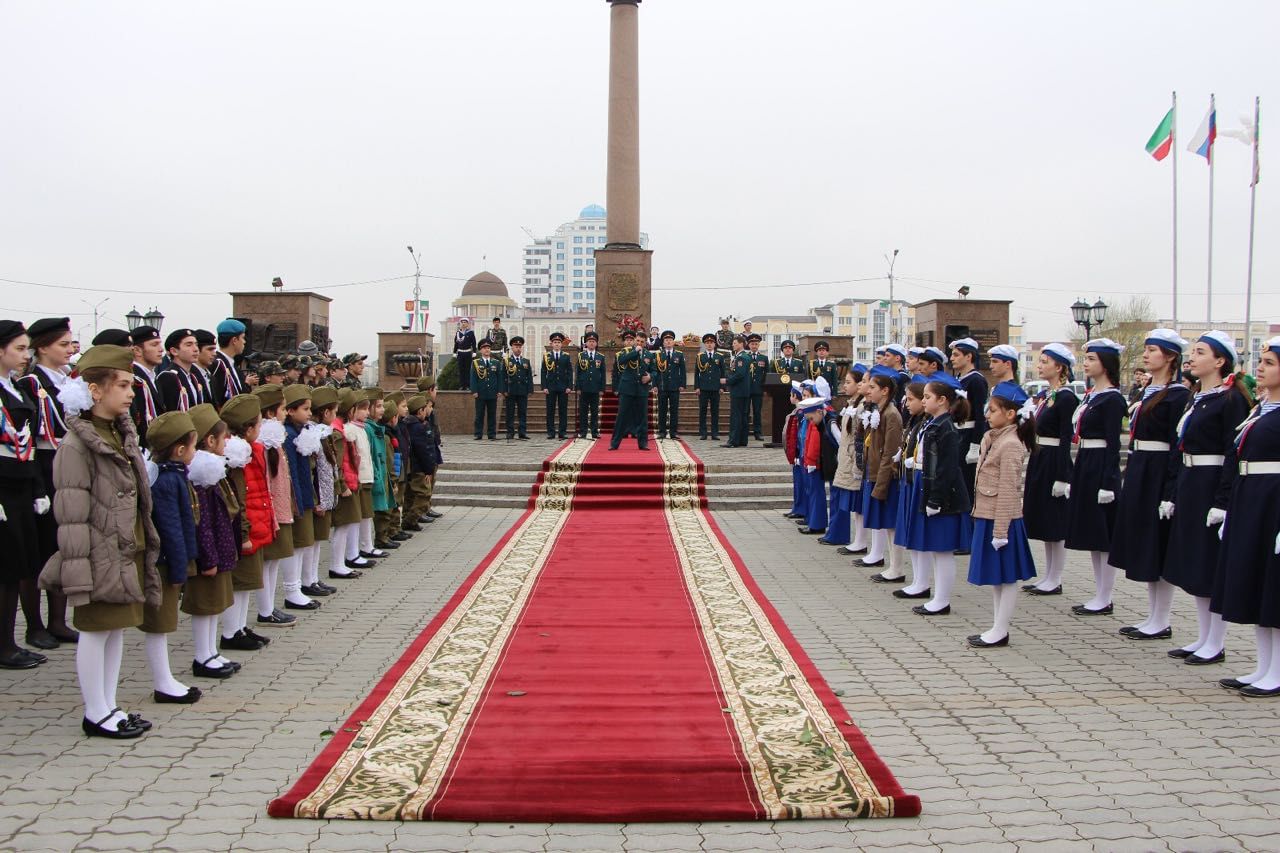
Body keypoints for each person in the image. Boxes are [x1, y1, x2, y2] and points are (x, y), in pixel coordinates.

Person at [39, 344, 162, 738]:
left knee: (115, 628)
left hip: (123, 549)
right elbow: (72, 516)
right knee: (95, 631)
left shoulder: (118, 434)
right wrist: (78, 573)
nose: (131, 393)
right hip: (96, 553)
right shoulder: (77, 446)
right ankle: (95, 712)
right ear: (95, 391)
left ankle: (110, 704)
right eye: (123, 385)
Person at [1164, 332, 1252, 666]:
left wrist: (1223, 500)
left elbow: (1233, 452)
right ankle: (1203, 636)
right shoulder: (1199, 396)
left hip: (1211, 483)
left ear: (1220, 361)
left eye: (1200, 352)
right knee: (1195, 564)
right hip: (1191, 480)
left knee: (1209, 563)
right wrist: (1173, 492)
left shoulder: (1231, 400)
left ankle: (1216, 641)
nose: (1192, 357)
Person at [1111, 329, 1192, 640]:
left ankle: (1162, 619)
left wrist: (1171, 489)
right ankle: (1153, 615)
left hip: (1159, 471)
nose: (1146, 355)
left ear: (1170, 357)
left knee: (1158, 541)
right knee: (1145, 543)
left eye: (1153, 350)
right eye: (1146, 349)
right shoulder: (1145, 391)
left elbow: (1176, 444)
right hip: (1141, 467)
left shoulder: (1178, 395)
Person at [1212, 336, 1280, 697]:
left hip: (1274, 502)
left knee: (1274, 587)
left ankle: (1278, 671)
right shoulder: (1261, 408)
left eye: (1269, 362)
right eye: (1262, 361)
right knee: (1257, 583)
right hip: (1252, 497)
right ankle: (1264, 665)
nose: (1260, 367)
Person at [19, 316, 78, 649]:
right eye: (63, 344)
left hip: (66, 466)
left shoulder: (67, 381)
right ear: (41, 348)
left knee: (63, 546)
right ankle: (35, 625)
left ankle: (59, 620)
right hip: (44, 467)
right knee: (41, 548)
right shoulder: (32, 383)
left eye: (71, 343)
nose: (70, 349)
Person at [966, 381, 1039, 648]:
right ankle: (997, 626)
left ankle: (1001, 628)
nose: (987, 415)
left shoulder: (1010, 444)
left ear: (1010, 414)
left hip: (1003, 520)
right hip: (988, 515)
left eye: (993, 410)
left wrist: (1000, 531)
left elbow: (1009, 490)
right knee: (996, 577)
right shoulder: (993, 438)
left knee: (1007, 577)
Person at [0, 321, 52, 670]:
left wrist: (37, 488)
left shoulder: (15, 388)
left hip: (21, 484)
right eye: (19, 348)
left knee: (19, 566)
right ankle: (3, 646)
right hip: (2, 488)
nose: (25, 355)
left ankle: (10, 640)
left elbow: (27, 441)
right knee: (4, 570)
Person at [1064, 339, 1127, 616]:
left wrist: (1108, 481)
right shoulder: (1091, 395)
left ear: (1106, 363)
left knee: (1103, 535)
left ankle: (1106, 596)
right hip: (1086, 462)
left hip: (1101, 465)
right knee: (1092, 534)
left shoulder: (1112, 398)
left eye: (1091, 358)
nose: (1085, 363)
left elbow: (1114, 442)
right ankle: (1099, 592)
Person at [182, 405, 242, 681]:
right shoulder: (200, 475)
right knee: (204, 605)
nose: (227, 442)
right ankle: (202, 655)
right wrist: (208, 556)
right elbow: (202, 521)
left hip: (218, 547)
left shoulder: (213, 470)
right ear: (210, 441)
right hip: (209, 552)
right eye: (223, 437)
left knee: (214, 604)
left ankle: (210, 651)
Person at [217, 394, 278, 653]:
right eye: (258, 425)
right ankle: (231, 631)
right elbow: (239, 498)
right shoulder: (236, 458)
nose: (261, 429)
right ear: (248, 428)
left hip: (255, 522)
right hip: (245, 527)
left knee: (248, 581)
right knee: (240, 581)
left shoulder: (251, 451)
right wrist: (242, 532)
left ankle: (239, 627)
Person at [909, 372, 972, 616]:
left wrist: (936, 499)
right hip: (934, 491)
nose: (923, 401)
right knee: (937, 550)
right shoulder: (933, 423)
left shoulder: (946, 427)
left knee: (943, 551)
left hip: (946, 499)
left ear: (943, 400)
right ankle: (937, 597)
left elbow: (946, 468)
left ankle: (942, 600)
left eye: (928, 397)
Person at [1021, 343, 1080, 596]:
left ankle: (1055, 578)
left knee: (1055, 522)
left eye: (1045, 361)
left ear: (1060, 367)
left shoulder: (1066, 397)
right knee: (1044, 520)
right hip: (1040, 457)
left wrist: (1062, 477)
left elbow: (1067, 436)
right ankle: (1047, 575)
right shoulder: (1047, 395)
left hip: (1054, 458)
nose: (1040, 365)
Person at [252, 384, 297, 628]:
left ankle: (269, 607)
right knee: (267, 561)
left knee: (273, 561)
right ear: (270, 413)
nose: (284, 412)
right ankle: (264, 609)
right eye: (281, 408)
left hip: (278, 507)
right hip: (269, 510)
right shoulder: (266, 443)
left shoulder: (275, 439)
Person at [859, 366, 905, 580]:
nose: (868, 390)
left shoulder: (891, 415)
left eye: (873, 387)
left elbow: (890, 452)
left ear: (885, 390)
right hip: (874, 473)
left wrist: (881, 482)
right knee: (886, 525)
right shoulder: (879, 410)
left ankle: (897, 568)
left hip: (885, 476)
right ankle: (893, 567)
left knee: (892, 525)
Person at [892, 375, 933, 599]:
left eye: (911, 399)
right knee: (912, 535)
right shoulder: (916, 421)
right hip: (910, 479)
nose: (907, 404)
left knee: (919, 536)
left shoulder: (928, 423)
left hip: (918, 480)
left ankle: (922, 582)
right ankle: (918, 580)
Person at [303, 385, 342, 597]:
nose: (335, 416)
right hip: (318, 496)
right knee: (311, 542)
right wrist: (317, 499)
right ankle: (306, 581)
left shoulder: (323, 432)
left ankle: (313, 578)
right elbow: (312, 470)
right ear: (326, 413)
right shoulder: (311, 435)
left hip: (326, 495)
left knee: (318, 540)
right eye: (334, 412)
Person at [823, 371, 865, 548]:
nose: (844, 386)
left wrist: (856, 462)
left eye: (848, 382)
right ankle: (855, 540)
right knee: (847, 502)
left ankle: (860, 542)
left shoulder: (861, 406)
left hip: (851, 458)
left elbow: (858, 437)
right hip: (845, 457)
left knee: (856, 504)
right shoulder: (851, 404)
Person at [329, 389, 368, 576]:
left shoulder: (340, 428)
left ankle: (341, 562)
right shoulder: (337, 431)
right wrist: (342, 485)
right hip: (345, 484)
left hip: (350, 480)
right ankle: (337, 565)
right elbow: (338, 462)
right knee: (343, 525)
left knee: (348, 523)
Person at [949, 337, 989, 511]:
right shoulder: (958, 378)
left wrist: (975, 445)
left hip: (967, 435)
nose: (952, 358)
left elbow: (980, 416)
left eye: (956, 355)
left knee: (965, 485)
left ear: (969, 357)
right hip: (956, 434)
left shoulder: (976, 380)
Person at [608, 331, 653, 451]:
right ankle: (614, 443)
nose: (639, 343)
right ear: (634, 341)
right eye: (637, 341)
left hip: (642, 390)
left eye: (642, 342)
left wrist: (650, 377)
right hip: (627, 388)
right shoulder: (626, 351)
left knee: (642, 418)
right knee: (622, 416)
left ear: (645, 343)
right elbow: (621, 361)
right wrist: (635, 351)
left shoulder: (649, 355)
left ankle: (643, 443)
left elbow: (655, 371)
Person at [794, 396, 833, 534]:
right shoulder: (814, 423)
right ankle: (814, 522)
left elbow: (814, 443)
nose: (810, 420)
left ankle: (817, 524)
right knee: (812, 493)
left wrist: (811, 460)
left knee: (816, 495)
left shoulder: (819, 425)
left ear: (818, 412)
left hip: (814, 464)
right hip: (809, 461)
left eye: (811, 417)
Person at [402, 395, 440, 530]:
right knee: (424, 494)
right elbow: (424, 450)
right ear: (419, 411)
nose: (427, 411)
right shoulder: (418, 427)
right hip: (419, 467)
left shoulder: (408, 424)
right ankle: (410, 519)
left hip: (412, 467)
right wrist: (428, 469)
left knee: (410, 495)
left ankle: (407, 517)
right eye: (425, 409)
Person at [129, 325, 164, 443]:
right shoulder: (134, 379)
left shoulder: (152, 377)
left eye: (160, 343)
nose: (161, 349)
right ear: (137, 350)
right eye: (154, 345)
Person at [156, 329, 203, 412]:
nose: (196, 349)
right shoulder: (168, 376)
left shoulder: (193, 377)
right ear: (174, 351)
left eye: (196, 344)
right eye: (189, 345)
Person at [654, 330, 686, 440]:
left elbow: (682, 370)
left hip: (675, 386)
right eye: (666, 340)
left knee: (674, 410)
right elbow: (655, 371)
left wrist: (682, 384)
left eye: (670, 340)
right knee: (662, 410)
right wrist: (654, 385)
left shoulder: (679, 354)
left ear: (673, 342)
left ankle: (673, 432)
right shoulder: (658, 355)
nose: (668, 342)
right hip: (662, 386)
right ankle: (662, 431)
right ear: (663, 343)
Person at [695, 333, 726, 441]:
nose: (709, 345)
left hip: (715, 388)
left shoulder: (720, 356)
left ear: (714, 344)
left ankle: (714, 433)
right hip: (703, 388)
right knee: (702, 411)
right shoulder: (700, 356)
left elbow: (723, 373)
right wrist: (697, 387)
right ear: (704, 344)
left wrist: (722, 387)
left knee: (715, 411)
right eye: (707, 343)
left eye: (711, 343)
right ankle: (703, 433)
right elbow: (696, 373)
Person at [501, 336, 533, 440]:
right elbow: (503, 376)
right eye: (516, 346)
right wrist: (504, 390)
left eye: (520, 346)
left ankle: (522, 432)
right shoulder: (506, 361)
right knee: (510, 412)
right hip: (510, 391)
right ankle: (510, 432)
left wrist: (529, 389)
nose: (518, 348)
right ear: (512, 348)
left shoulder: (525, 361)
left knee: (522, 412)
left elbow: (529, 377)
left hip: (522, 391)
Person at [542, 332, 573, 440]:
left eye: (559, 342)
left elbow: (569, 372)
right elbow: (543, 371)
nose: (557, 344)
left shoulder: (566, 356)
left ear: (561, 344)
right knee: (550, 410)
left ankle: (562, 432)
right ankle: (551, 432)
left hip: (563, 387)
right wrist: (544, 386)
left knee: (562, 411)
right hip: (550, 387)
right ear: (551, 344)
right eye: (555, 342)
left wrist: (569, 386)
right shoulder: (547, 356)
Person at [575, 332, 606, 440]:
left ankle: (594, 431)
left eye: (593, 341)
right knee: (583, 411)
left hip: (595, 388)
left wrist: (602, 388)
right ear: (586, 343)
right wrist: (578, 387)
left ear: (596, 343)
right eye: (589, 341)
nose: (591, 343)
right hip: (583, 388)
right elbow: (578, 372)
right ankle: (583, 431)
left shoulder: (600, 357)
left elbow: (603, 373)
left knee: (594, 411)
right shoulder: (581, 355)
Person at [210, 319, 248, 405]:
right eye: (242, 338)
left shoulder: (232, 365)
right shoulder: (218, 364)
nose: (244, 342)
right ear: (234, 340)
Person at [723, 335, 751, 448]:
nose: (733, 345)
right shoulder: (742, 356)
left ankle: (733, 441)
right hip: (743, 390)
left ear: (741, 344)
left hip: (739, 390)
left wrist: (727, 381)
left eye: (735, 343)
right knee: (743, 416)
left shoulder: (742, 358)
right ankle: (742, 440)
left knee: (736, 416)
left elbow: (739, 374)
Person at [471, 340, 499, 441]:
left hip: (492, 392)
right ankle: (478, 433)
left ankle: (492, 434)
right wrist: (474, 391)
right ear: (481, 350)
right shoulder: (476, 362)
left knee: (492, 415)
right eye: (484, 348)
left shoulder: (496, 362)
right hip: (480, 393)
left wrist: (499, 390)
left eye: (488, 348)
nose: (487, 350)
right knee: (479, 414)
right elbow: (473, 377)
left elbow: (499, 377)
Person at [747, 334, 768, 441]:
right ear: (748, 345)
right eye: (752, 344)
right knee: (745, 411)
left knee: (757, 412)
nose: (754, 346)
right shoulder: (745, 357)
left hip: (758, 389)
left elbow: (767, 375)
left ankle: (758, 432)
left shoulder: (764, 358)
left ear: (759, 345)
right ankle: (744, 431)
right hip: (746, 389)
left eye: (756, 344)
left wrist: (765, 389)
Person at [191, 330, 217, 403]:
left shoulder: (210, 376)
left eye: (214, 349)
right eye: (210, 349)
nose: (214, 354)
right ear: (197, 350)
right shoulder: (190, 376)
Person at [453, 319, 477, 392]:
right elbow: (456, 343)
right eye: (462, 322)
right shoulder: (458, 333)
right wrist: (454, 352)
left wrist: (474, 352)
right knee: (461, 370)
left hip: (467, 352)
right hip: (460, 353)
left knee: (467, 370)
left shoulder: (470, 333)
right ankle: (461, 385)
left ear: (468, 324)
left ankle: (467, 386)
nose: (463, 324)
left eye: (465, 322)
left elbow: (474, 342)